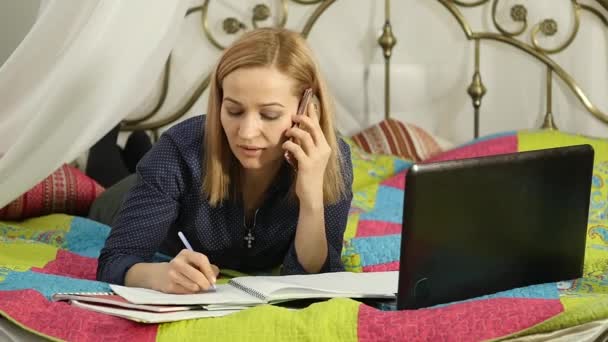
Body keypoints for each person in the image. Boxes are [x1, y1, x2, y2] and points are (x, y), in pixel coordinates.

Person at [96, 27, 353, 294]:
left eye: (269, 114)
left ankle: (137, 149)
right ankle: (106, 152)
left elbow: (316, 277)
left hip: (162, 178)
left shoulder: (333, 159)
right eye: (234, 110)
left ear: (307, 108)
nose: (247, 132)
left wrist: (311, 197)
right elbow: (115, 260)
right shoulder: (178, 151)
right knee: (107, 185)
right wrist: (154, 275)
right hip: (121, 198)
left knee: (142, 164)